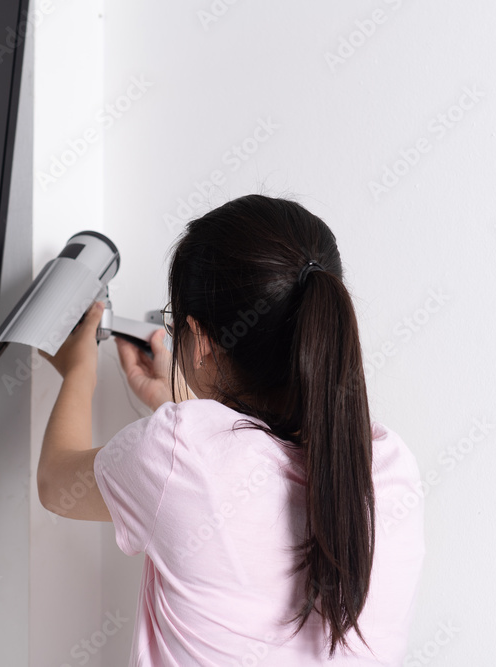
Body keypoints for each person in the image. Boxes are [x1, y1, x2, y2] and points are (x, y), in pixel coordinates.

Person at [37, 194, 425, 665]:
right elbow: (238, 467)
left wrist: (78, 369)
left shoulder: (181, 453)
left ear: (199, 341)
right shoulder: (390, 465)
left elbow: (57, 482)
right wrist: (170, 399)